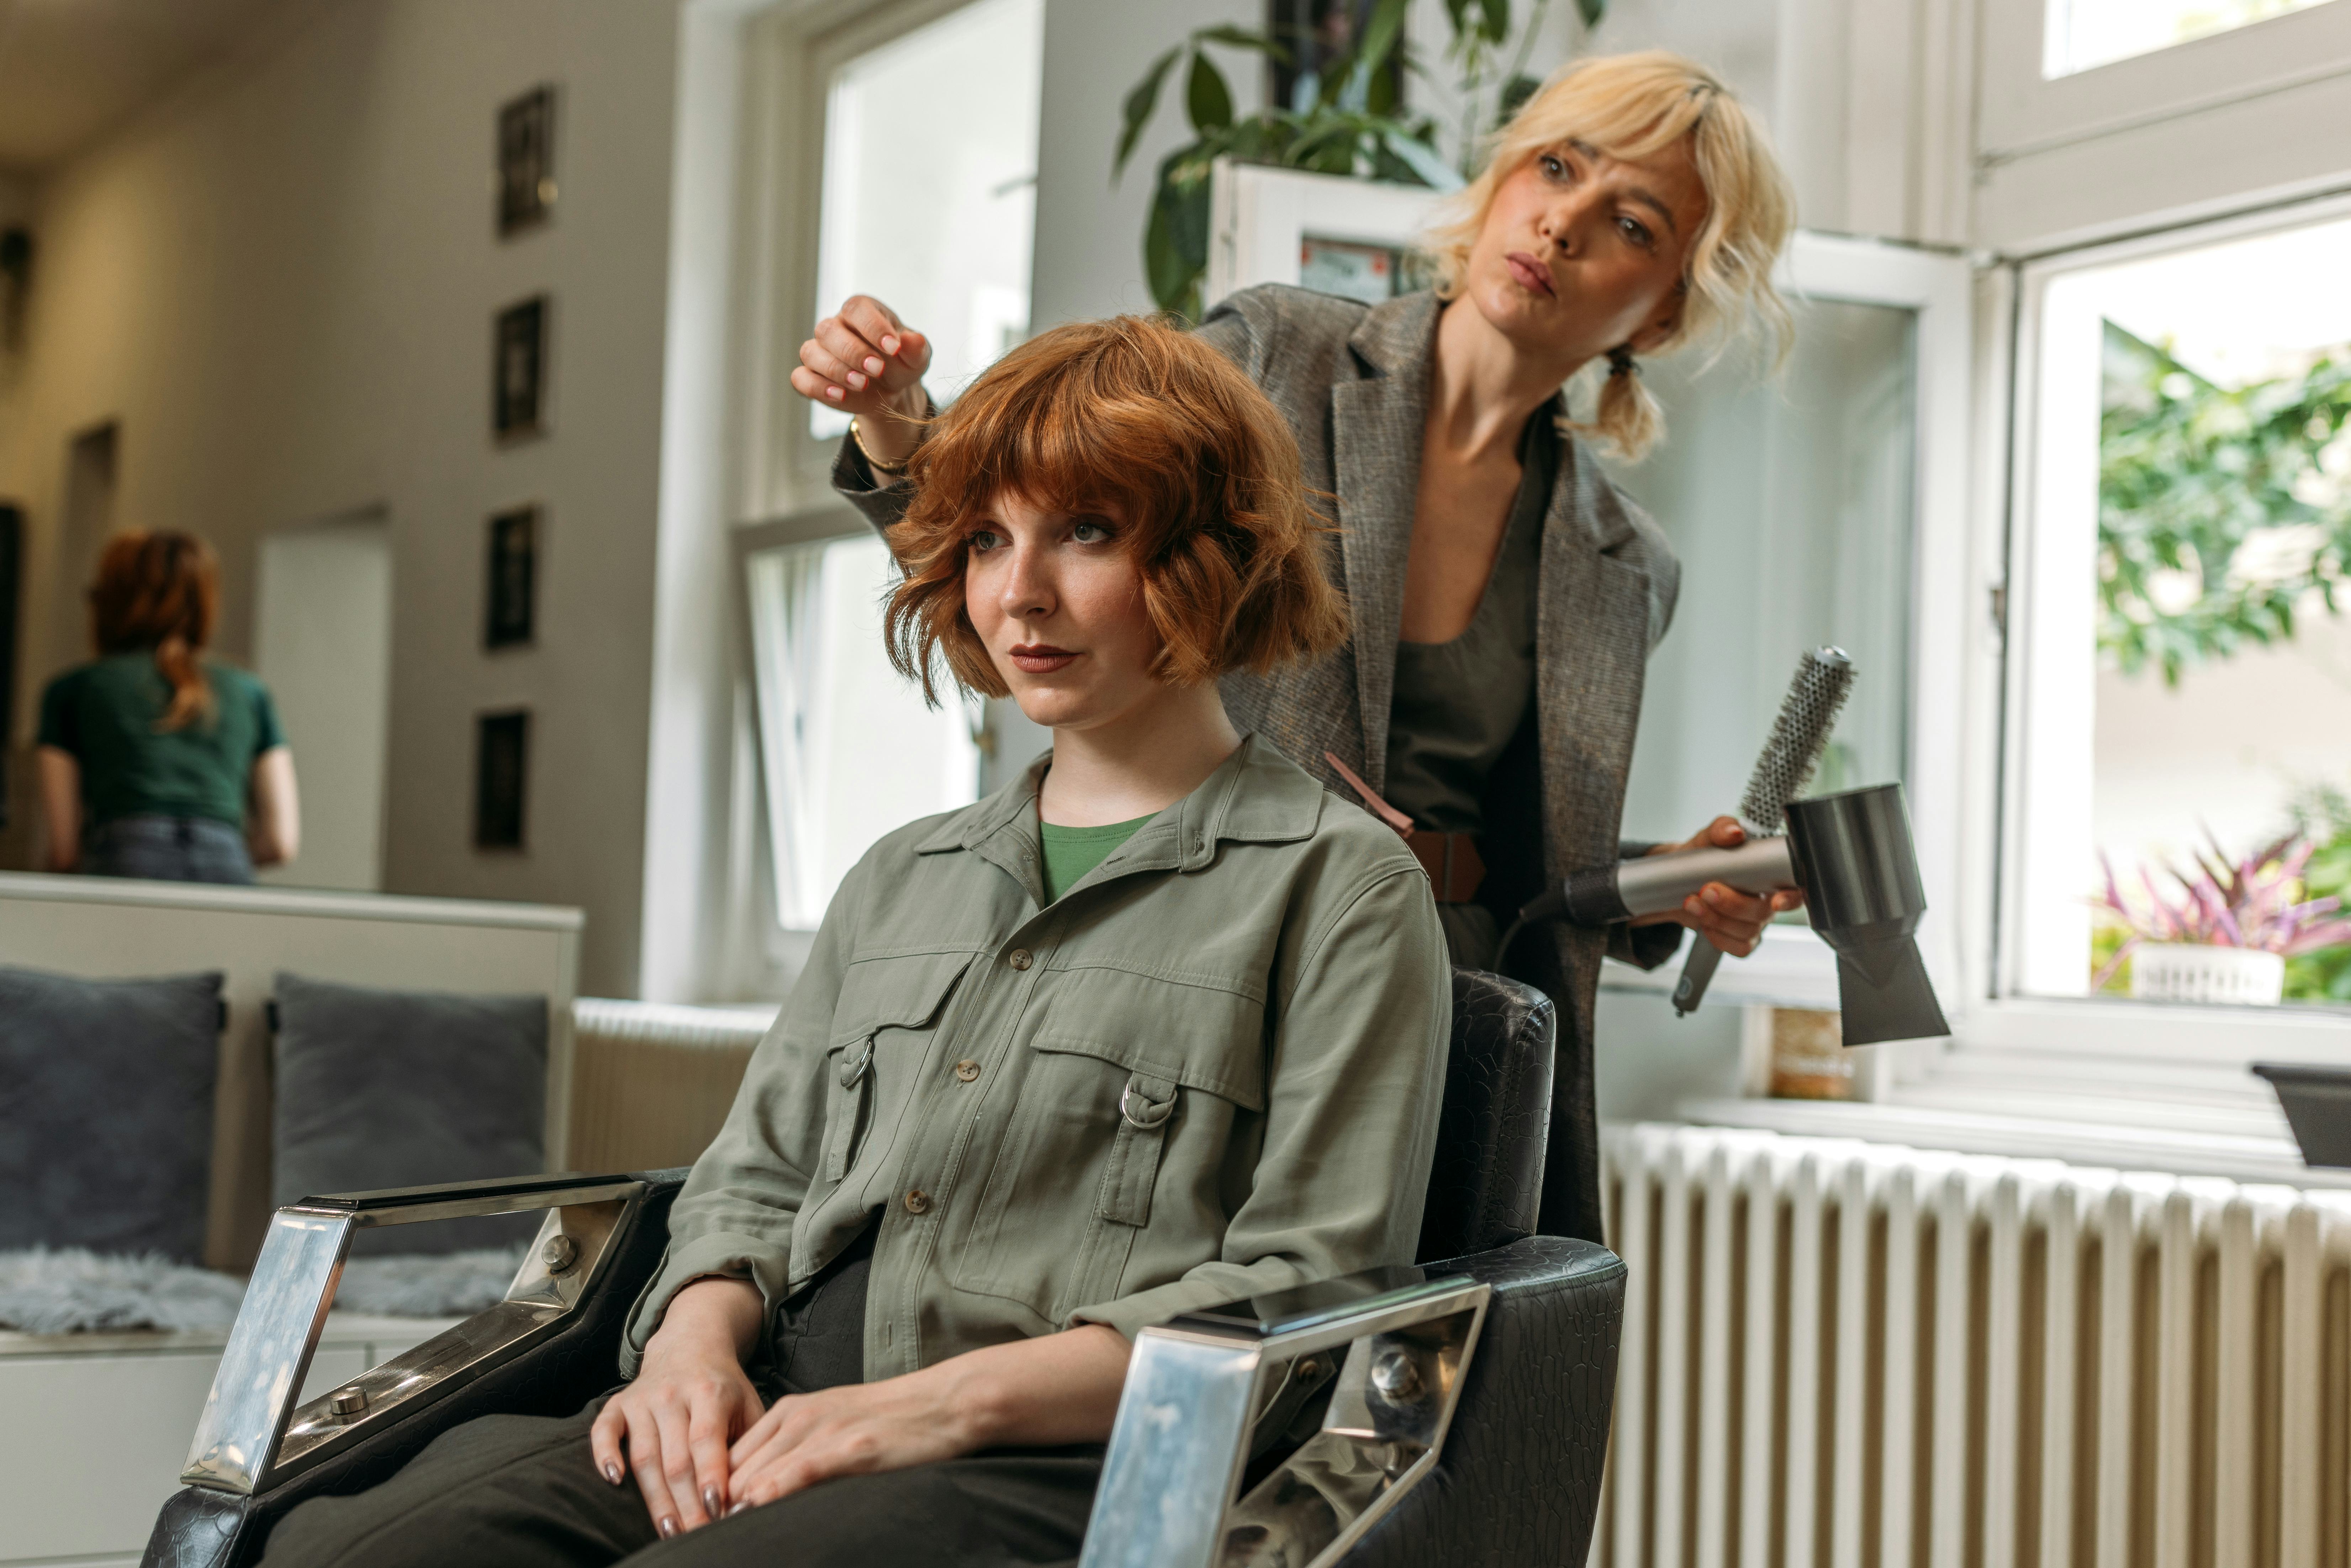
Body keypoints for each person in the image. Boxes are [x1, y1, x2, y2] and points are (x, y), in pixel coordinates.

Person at [260, 317, 1450, 1568]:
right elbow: (755, 1176)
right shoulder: (902, 874)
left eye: (1085, 531)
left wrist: (919, 1409)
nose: (1017, 592)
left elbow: (1301, 1291)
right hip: (774, 1393)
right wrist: (687, 1349)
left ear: (1212, 557)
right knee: (333, 1547)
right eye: (987, 536)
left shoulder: (1340, 887)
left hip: (1051, 1458)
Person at [35, 530, 298, 884]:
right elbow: (281, 842)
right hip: (227, 864)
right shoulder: (250, 692)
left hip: (123, 861)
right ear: (205, 601)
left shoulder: (74, 689)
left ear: (109, 601)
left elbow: (64, 851)